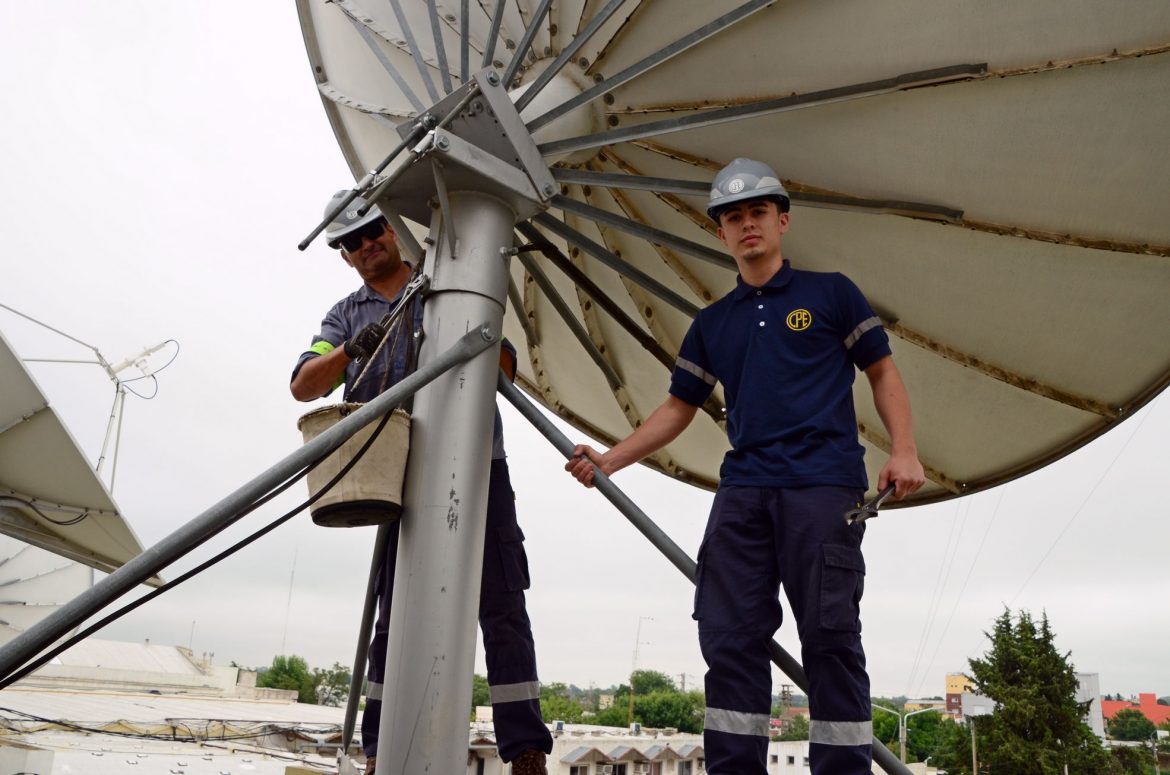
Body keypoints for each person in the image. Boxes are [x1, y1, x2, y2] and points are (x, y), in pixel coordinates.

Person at [565, 159, 925, 775]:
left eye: (759, 211)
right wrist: (612, 460)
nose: (747, 224)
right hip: (744, 491)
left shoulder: (831, 293)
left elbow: (881, 370)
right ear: (721, 232)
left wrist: (904, 449)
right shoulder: (713, 323)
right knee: (729, 638)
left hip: (822, 486)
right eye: (734, 217)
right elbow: (678, 408)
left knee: (830, 640)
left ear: (782, 220)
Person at [291, 192, 553, 775]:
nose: (366, 245)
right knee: (395, 609)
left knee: (502, 603)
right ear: (344, 255)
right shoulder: (345, 316)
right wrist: (349, 352)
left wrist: (469, 319)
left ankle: (525, 749)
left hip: (476, 467)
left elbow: (505, 367)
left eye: (372, 231)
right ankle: (380, 747)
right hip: (396, 475)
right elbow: (305, 384)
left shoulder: (446, 284)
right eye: (352, 242)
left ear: (390, 229)